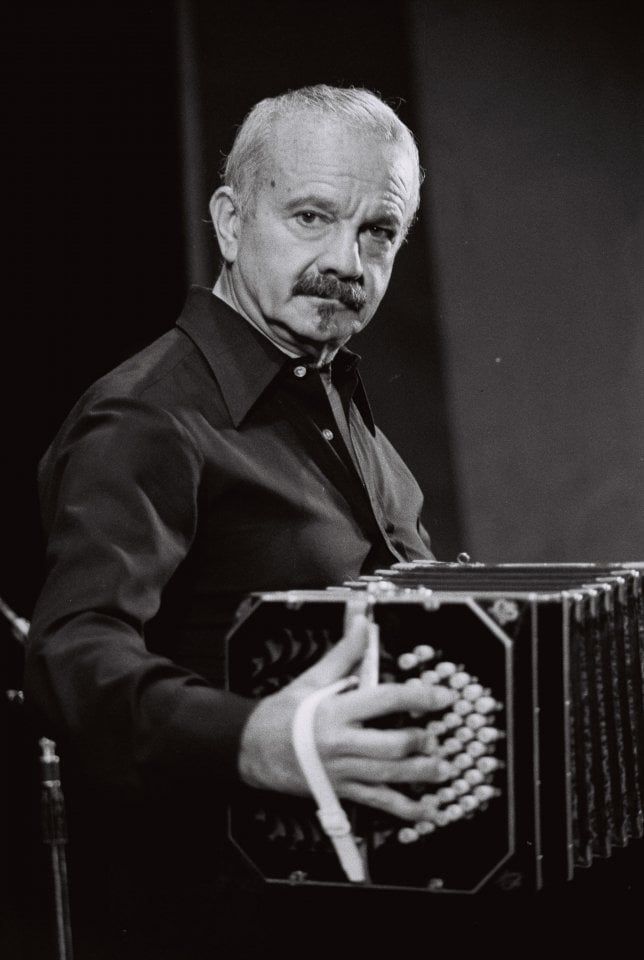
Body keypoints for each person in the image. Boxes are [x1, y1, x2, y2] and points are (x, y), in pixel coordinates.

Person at [25, 85, 455, 956]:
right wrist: (260, 740)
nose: (347, 259)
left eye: (380, 232)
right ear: (230, 221)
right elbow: (72, 654)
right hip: (219, 921)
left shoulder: (330, 398)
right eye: (311, 216)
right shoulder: (146, 416)